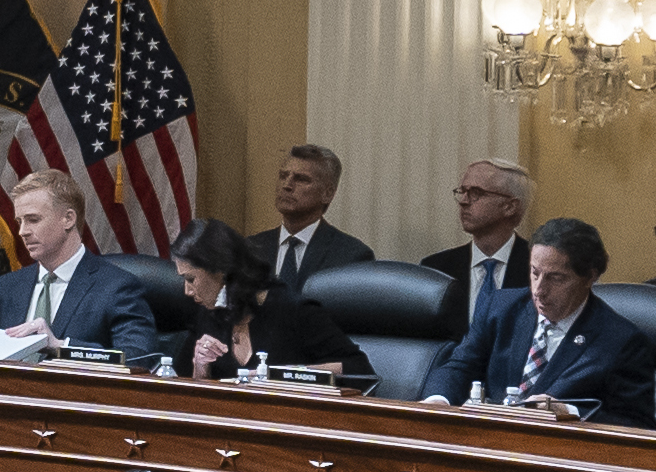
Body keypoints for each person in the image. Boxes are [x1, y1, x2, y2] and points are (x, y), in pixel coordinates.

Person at [420, 217, 652, 424]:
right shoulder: (501, 307)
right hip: (488, 444)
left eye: (556, 278)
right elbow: (460, 366)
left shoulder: (621, 341)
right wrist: (438, 400)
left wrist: (570, 412)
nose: (539, 290)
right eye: (534, 273)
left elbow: (637, 423)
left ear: (590, 277)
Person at [0, 169, 157, 360]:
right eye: (19, 221)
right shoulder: (6, 287)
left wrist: (60, 346)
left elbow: (139, 358)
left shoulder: (117, 287)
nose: (22, 232)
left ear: (68, 219)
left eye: (33, 220)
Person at [169, 216, 373, 381]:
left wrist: (282, 375)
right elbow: (189, 399)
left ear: (220, 270)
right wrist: (200, 367)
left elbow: (360, 369)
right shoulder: (208, 313)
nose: (187, 291)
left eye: (191, 279)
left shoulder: (293, 310)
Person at [422, 158, 534, 340]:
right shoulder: (436, 268)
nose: (463, 201)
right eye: (462, 191)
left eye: (476, 193)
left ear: (510, 206)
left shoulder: (541, 269)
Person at [246, 145, 373, 290]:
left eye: (301, 179)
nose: (287, 185)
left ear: (328, 194)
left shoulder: (351, 256)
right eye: (283, 176)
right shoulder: (250, 249)